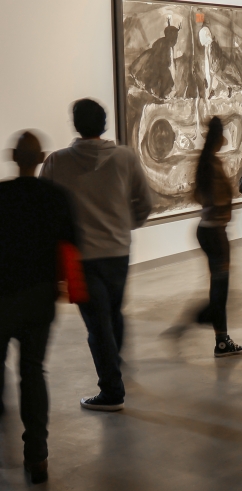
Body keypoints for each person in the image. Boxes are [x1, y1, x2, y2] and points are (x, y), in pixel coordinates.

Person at [40, 99, 152, 412]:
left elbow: (42, 210)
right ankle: (113, 368)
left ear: (76, 124)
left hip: (81, 258)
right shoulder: (125, 157)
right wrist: (122, 225)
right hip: (118, 252)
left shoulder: (56, 162)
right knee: (113, 313)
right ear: (104, 123)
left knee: (97, 324)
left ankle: (112, 391)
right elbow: (145, 203)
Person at [0, 131, 84, 484]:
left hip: (2, 298)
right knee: (33, 372)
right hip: (39, 298)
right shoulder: (55, 197)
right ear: (42, 158)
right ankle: (37, 457)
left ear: (12, 156)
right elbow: (74, 242)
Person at [193, 117, 242, 357]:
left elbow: (198, 195)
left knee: (219, 286)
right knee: (220, 289)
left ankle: (220, 337)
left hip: (209, 229)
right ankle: (219, 338)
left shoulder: (205, 161)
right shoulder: (212, 164)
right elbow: (218, 199)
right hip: (215, 233)